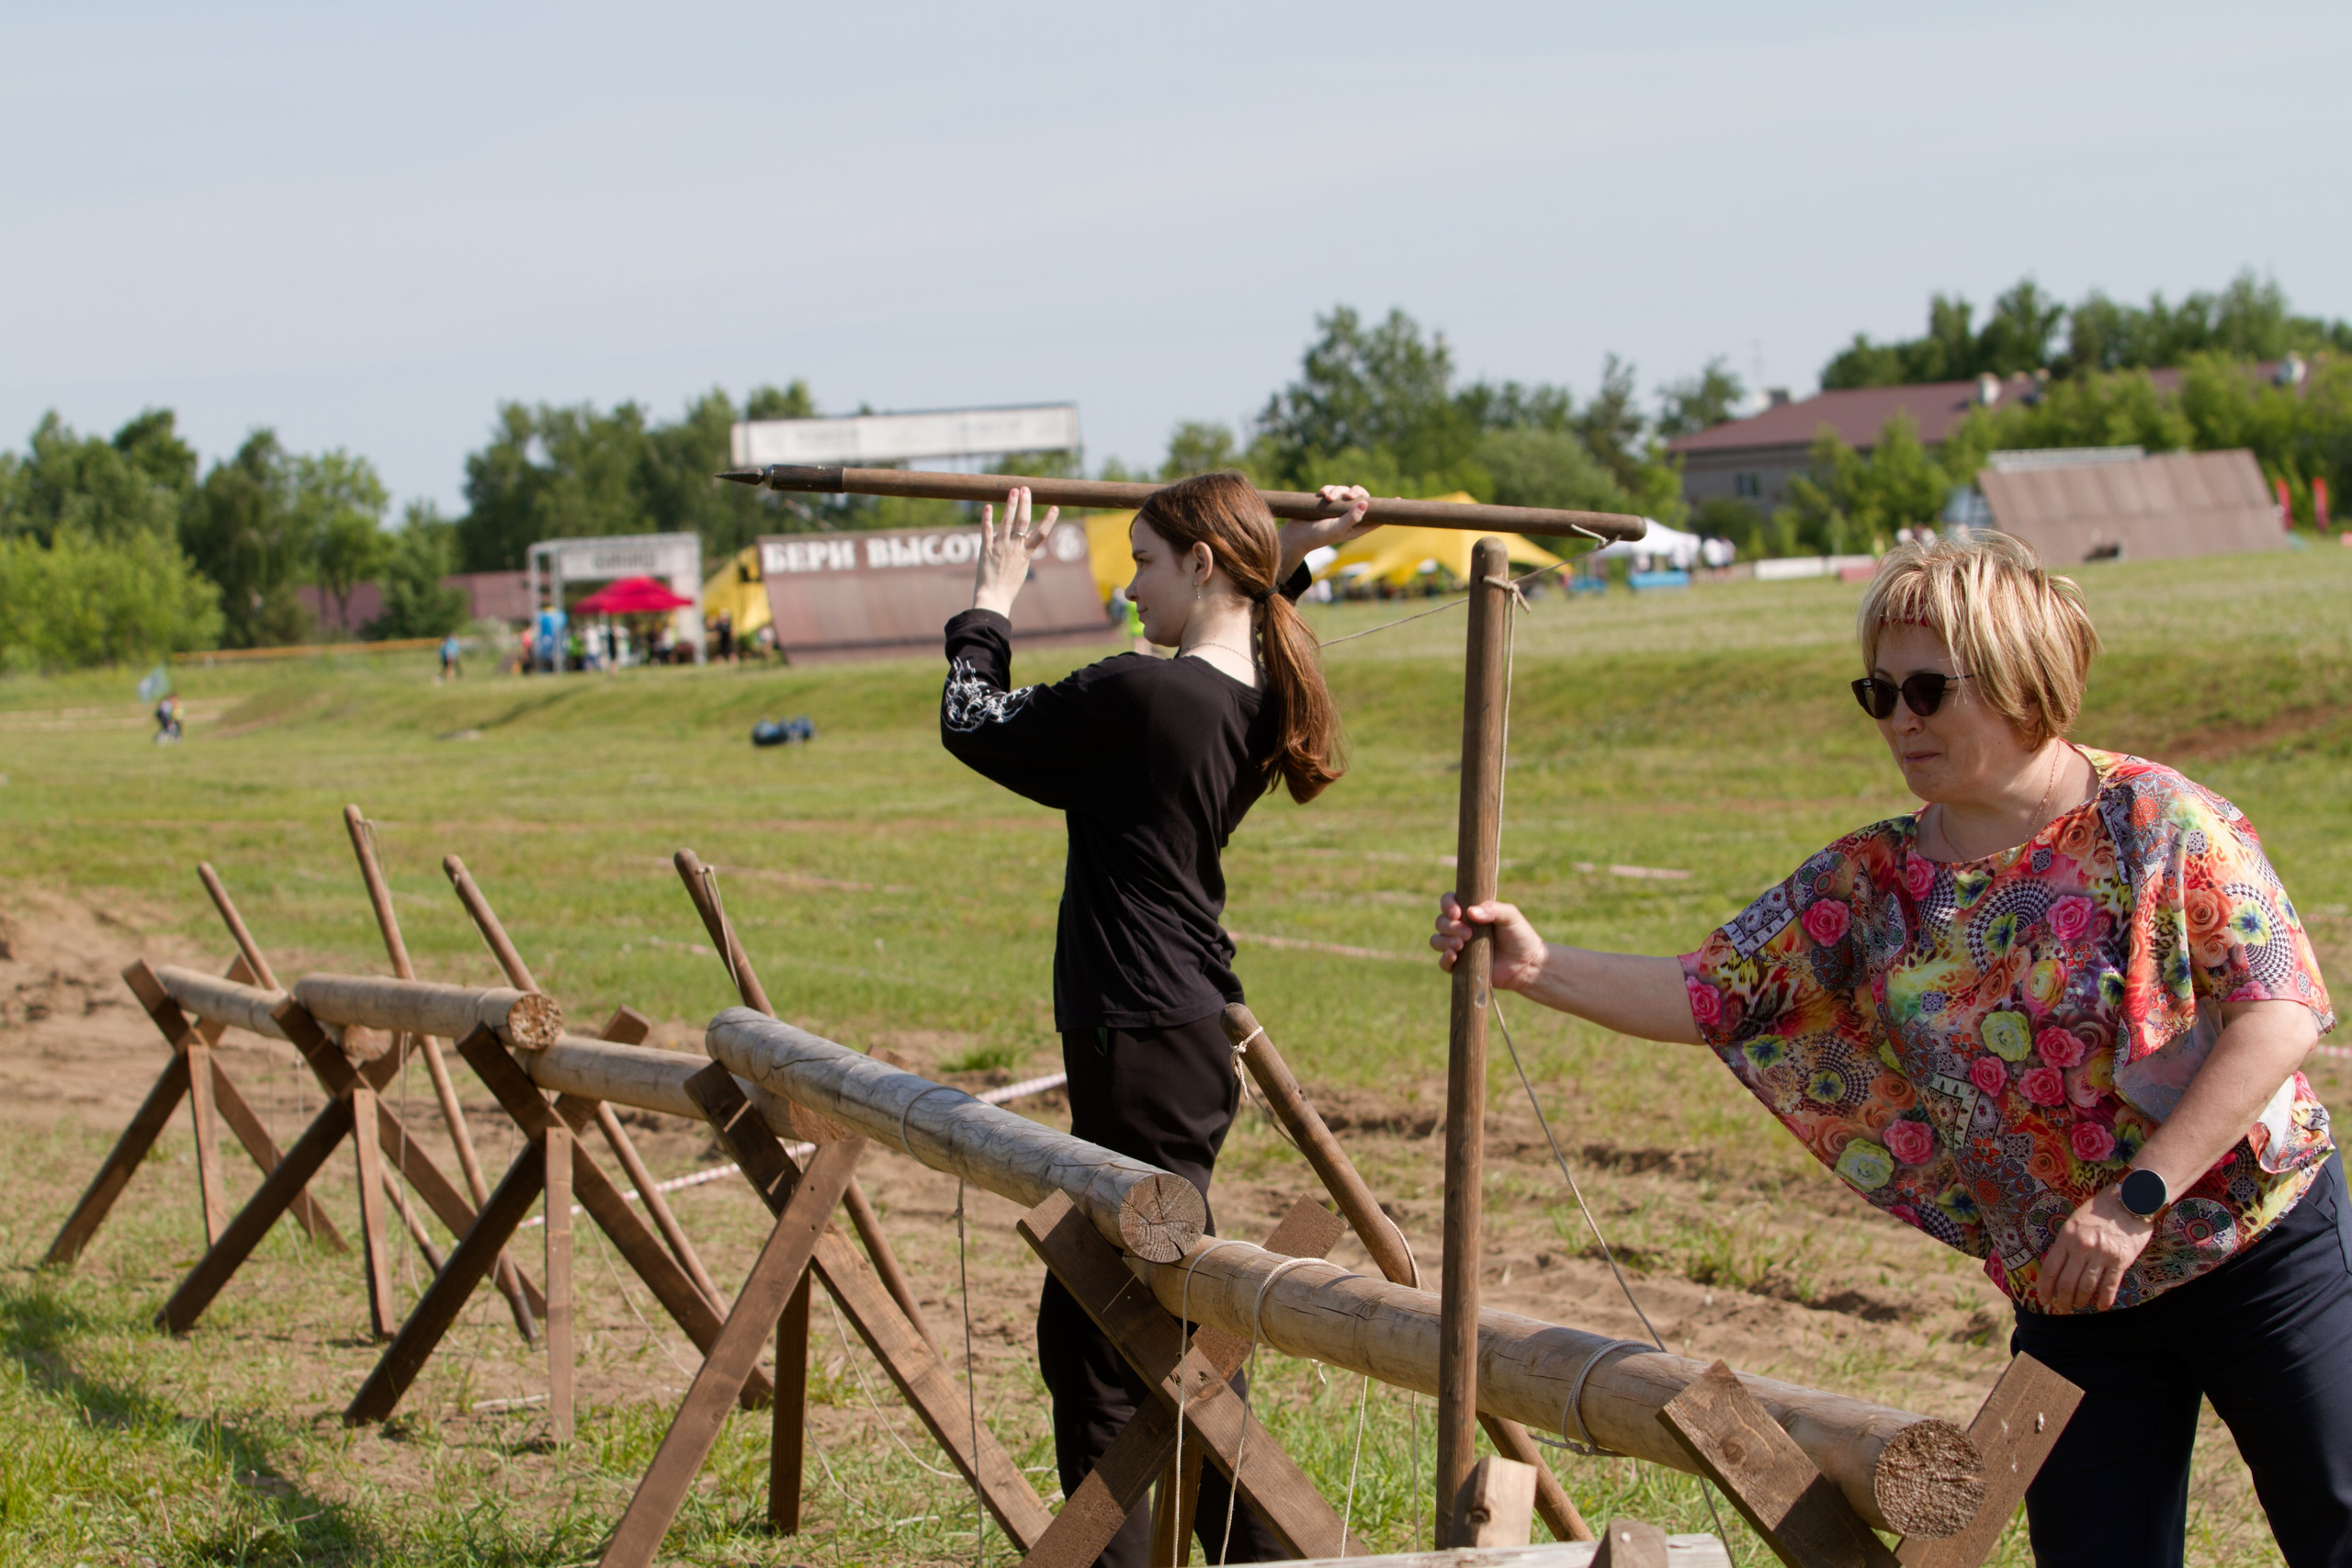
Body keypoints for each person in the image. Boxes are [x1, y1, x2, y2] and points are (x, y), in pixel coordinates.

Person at [1430, 531, 2343, 1568]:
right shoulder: (1868, 882)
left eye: (1926, 690)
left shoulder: (2156, 822)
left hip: (2255, 1249)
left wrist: (2132, 1201)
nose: (1898, 719)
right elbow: (1710, 992)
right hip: (2071, 1292)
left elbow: (2281, 1012)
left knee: (2337, 1523)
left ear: (2019, 681)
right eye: (1877, 693)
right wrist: (1533, 967)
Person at [939, 472, 1373, 1567]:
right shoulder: (1245, 692)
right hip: (1167, 1037)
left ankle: (1252, 1553)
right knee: (1152, 1325)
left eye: (1141, 560)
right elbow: (1266, 619)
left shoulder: (1145, 693)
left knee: (1102, 1345)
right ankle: (1260, 1556)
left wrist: (991, 598)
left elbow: (972, 723)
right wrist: (1304, 545)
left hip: (1139, 1034)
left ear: (1204, 564)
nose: (1127, 586)